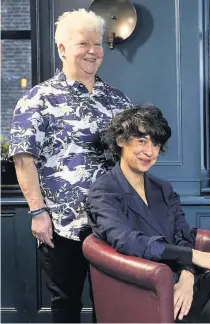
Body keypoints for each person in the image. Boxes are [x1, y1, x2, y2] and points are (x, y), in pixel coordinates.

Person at [87, 106, 210, 323]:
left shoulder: (163, 189)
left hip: (183, 279)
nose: (150, 152)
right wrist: (191, 256)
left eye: (156, 144)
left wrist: (188, 275)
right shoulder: (104, 190)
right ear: (121, 141)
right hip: (147, 287)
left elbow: (183, 237)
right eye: (142, 141)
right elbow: (127, 242)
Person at [8, 9, 131, 323]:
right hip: (61, 225)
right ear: (62, 48)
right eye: (83, 43)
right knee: (66, 302)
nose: (92, 50)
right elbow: (23, 160)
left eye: (97, 43)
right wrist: (37, 213)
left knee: (116, 300)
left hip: (113, 223)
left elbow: (132, 158)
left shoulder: (118, 100)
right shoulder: (38, 99)